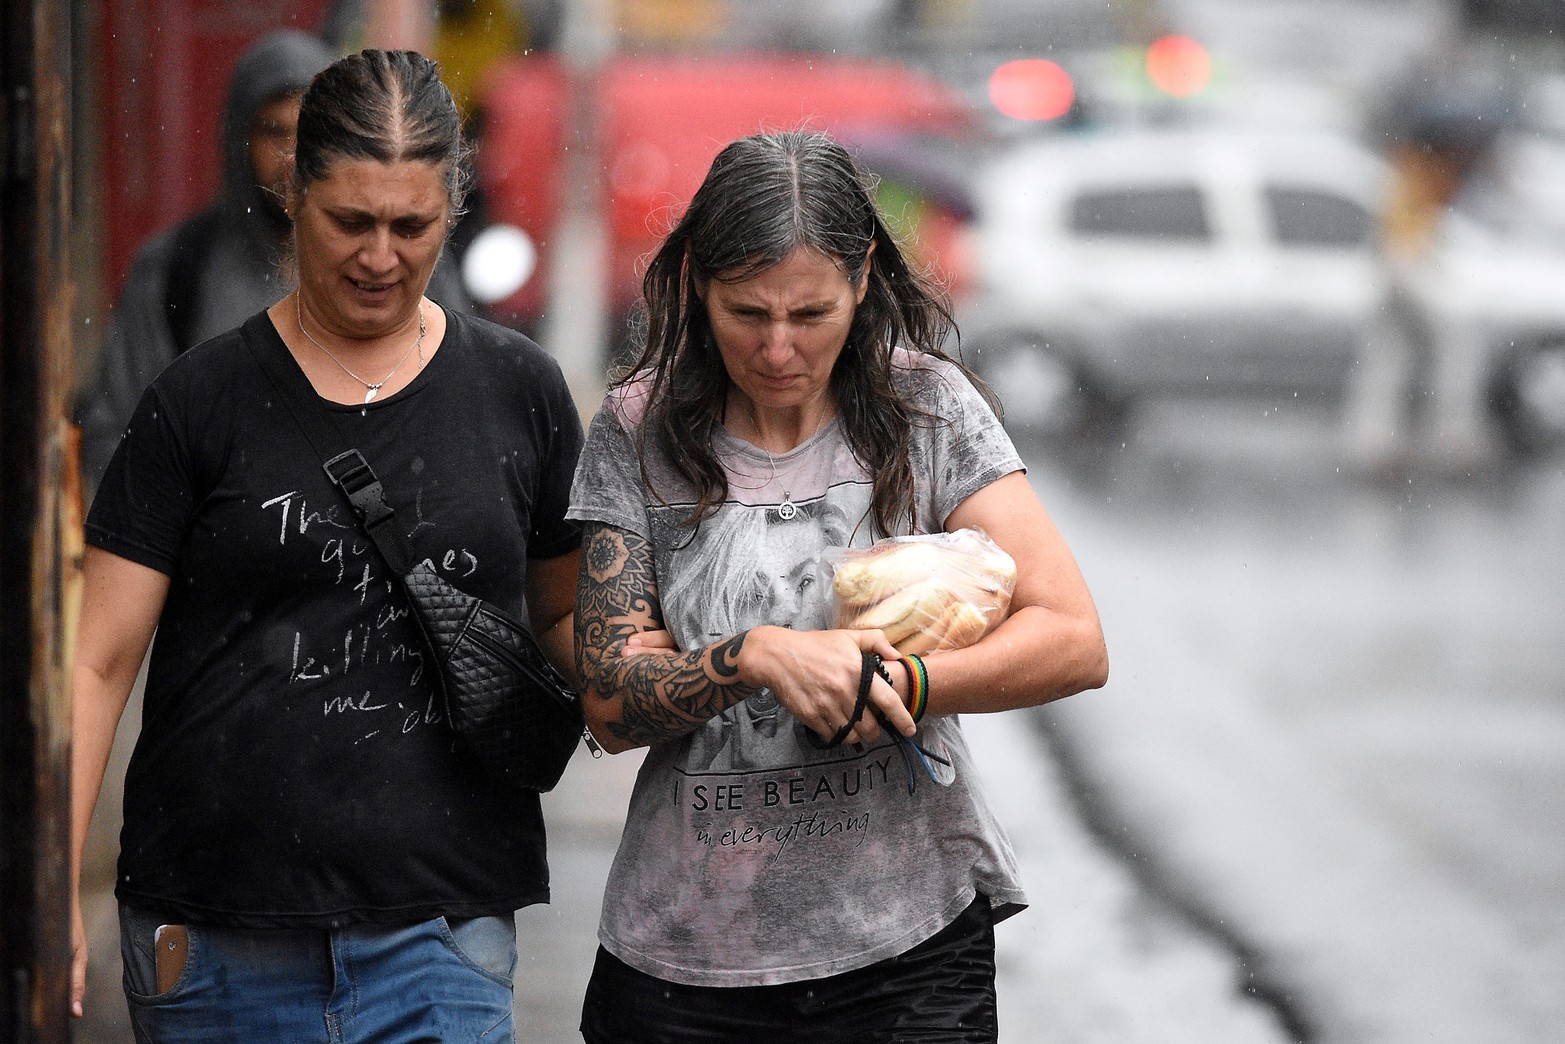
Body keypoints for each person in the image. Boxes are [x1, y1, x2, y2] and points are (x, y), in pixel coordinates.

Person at [69, 48, 583, 1042]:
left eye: (412, 226)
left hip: (444, 933)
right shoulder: (196, 402)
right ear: (293, 194)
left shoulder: (518, 394)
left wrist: (698, 662)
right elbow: (96, 663)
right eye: (351, 221)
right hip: (215, 941)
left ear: (452, 214)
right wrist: (44, 893)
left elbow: (567, 617)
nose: (380, 255)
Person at [568, 130, 1109, 1042]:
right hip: (684, 969)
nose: (778, 348)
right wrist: (754, 658)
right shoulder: (638, 429)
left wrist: (905, 684)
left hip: (906, 954)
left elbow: (1071, 638)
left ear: (861, 280)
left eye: (810, 314)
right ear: (698, 280)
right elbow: (610, 708)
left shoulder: (926, 412)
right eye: (747, 313)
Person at [72, 29, 471, 490]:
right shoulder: (178, 269)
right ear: (239, 138)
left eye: (305, 134)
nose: (289, 157)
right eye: (273, 131)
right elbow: (118, 433)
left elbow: (457, 411)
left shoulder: (407, 265)